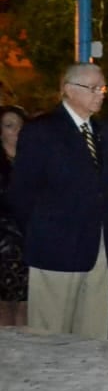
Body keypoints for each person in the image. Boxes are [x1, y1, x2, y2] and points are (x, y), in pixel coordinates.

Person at [7, 64, 108, 338]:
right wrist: (43, 232)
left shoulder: (101, 130)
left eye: (102, 87)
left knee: (93, 334)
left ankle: (89, 382)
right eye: (92, 88)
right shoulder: (42, 131)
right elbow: (21, 194)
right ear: (68, 90)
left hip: (99, 247)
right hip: (55, 248)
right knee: (51, 336)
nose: (100, 94)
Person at [0, 105, 32, 326]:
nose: (16, 130)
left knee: (27, 302)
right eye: (9, 126)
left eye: (20, 125)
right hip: (4, 240)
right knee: (4, 302)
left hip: (30, 237)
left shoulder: (31, 157)